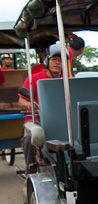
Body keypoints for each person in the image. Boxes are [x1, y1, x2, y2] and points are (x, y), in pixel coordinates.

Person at [18, 44, 66, 174]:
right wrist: (29, 104)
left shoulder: (66, 80)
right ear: (46, 61)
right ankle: (31, 172)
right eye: (54, 59)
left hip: (59, 119)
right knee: (29, 139)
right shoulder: (33, 78)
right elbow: (21, 101)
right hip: (35, 118)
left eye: (61, 60)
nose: (58, 63)